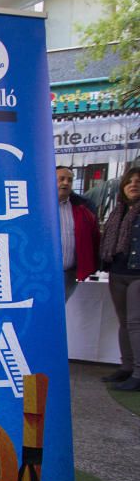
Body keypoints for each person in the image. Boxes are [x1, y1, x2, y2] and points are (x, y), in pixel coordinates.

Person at [98, 166, 140, 390]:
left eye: (138, 181)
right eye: (129, 181)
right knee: (124, 322)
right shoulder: (118, 212)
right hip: (117, 272)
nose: (133, 184)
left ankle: (138, 373)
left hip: (137, 275)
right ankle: (127, 367)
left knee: (135, 323)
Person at [56, 166, 98, 301]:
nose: (65, 183)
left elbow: (94, 237)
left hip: (69, 273)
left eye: (69, 180)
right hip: (41, 273)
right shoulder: (35, 206)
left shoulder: (82, 207)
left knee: (59, 310)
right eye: (61, 179)